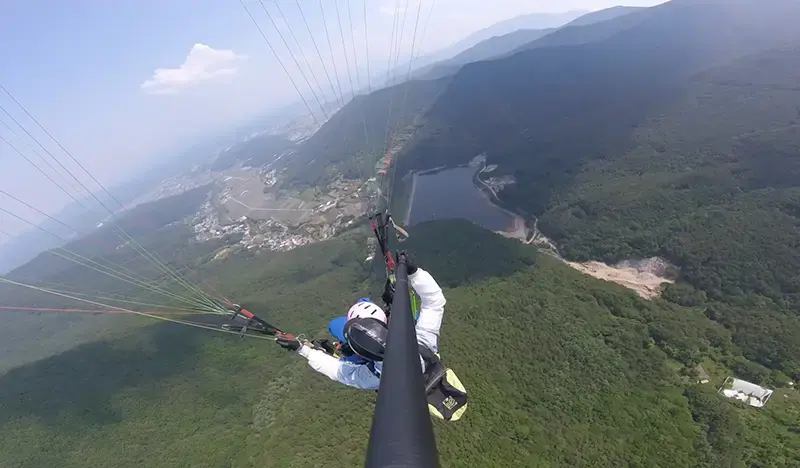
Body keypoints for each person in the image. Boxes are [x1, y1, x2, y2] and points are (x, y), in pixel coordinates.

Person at [276, 261, 446, 391]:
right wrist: (414, 273)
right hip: (413, 350)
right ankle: (371, 320)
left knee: (336, 326)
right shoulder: (421, 340)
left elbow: (337, 370)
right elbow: (434, 302)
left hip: (368, 358)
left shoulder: (373, 376)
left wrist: (303, 349)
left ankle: (355, 336)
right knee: (347, 319)